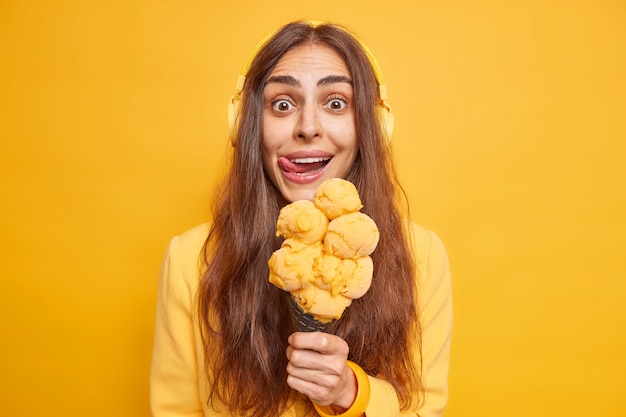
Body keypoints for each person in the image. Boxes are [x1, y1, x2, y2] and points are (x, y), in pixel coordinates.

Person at [150, 20, 452, 417]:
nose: (308, 128)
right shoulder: (191, 259)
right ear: (249, 126)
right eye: (282, 104)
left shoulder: (422, 256)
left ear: (372, 126)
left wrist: (351, 394)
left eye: (336, 103)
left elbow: (424, 408)